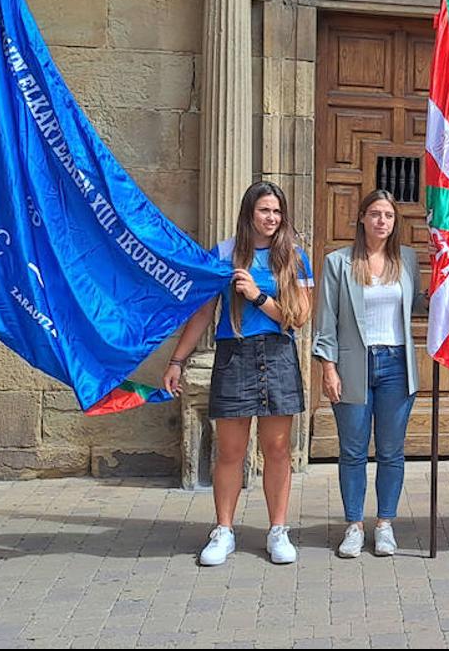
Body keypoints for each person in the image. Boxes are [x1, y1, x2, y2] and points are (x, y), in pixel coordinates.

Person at [163, 181, 314, 567]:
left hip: (277, 355)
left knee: (277, 449)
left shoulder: (294, 257)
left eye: (277, 211)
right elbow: (202, 313)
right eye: (265, 210)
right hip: (234, 354)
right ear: (249, 213)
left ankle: (277, 529)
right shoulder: (225, 253)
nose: (272, 218)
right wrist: (177, 360)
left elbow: (298, 317)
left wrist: (257, 296)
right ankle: (224, 530)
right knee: (230, 450)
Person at [313, 190, 426, 558]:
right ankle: (353, 525)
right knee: (353, 451)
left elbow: (418, 305)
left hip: (397, 365)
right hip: (353, 366)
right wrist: (328, 368)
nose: (382, 221)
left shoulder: (407, 259)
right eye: (375, 214)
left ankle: (385, 525)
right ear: (362, 217)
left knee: (391, 451)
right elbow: (326, 319)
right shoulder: (339, 262)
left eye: (389, 216)